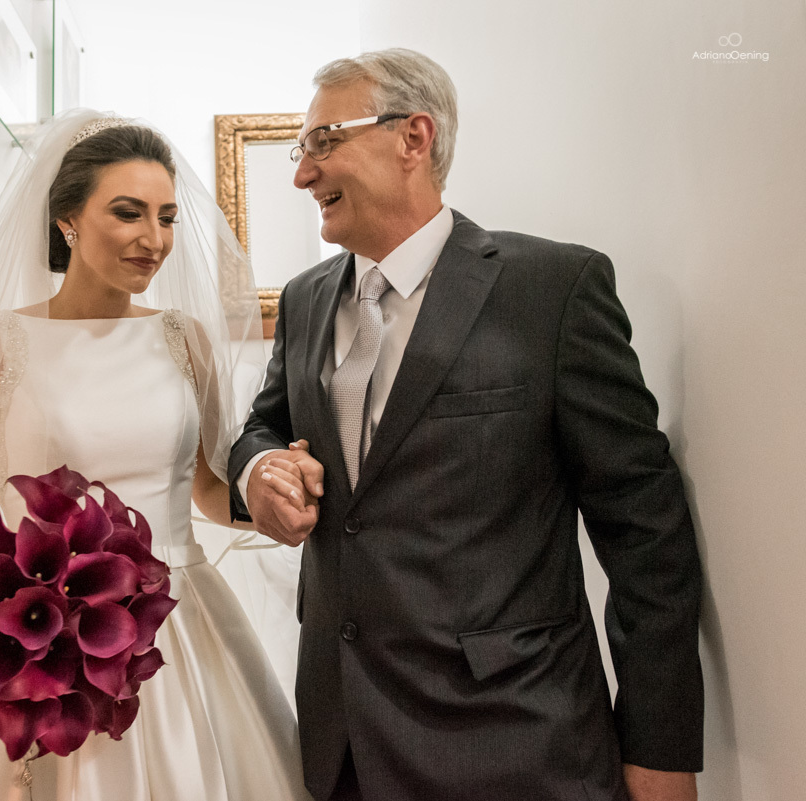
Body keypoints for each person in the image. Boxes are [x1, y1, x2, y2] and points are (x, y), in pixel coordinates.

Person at [229, 49, 704, 801]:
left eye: (324, 142)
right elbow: (261, 430)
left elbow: (646, 530)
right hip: (343, 745)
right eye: (300, 150)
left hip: (517, 742)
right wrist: (259, 471)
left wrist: (662, 746)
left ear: (413, 138)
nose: (302, 173)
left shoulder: (552, 290)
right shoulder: (305, 299)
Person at [0, 110, 312, 801]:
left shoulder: (185, 339)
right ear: (68, 219)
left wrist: (278, 488)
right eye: (129, 213)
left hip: (178, 621)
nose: (155, 240)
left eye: (168, 218)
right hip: (44, 638)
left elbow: (207, 487)